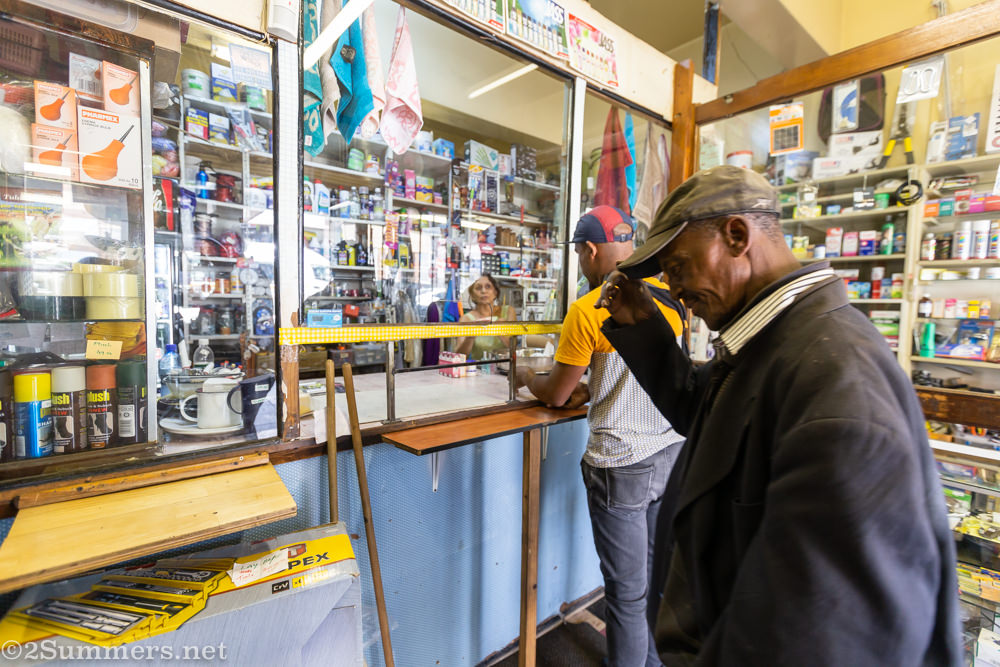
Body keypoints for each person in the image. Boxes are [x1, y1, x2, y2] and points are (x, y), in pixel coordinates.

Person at [596, 165, 962, 665]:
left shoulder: (838, 383)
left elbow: (826, 638)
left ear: (737, 235)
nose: (675, 290)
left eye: (678, 268)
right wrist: (643, 329)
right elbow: (717, 418)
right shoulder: (773, 342)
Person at [516, 205, 687, 667]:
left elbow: (555, 394)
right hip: (669, 451)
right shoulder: (671, 297)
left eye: (579, 254)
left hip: (621, 461)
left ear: (590, 250)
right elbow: (645, 374)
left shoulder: (590, 308)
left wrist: (527, 375)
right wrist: (595, 385)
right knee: (651, 580)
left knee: (626, 595)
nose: (581, 262)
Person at [455, 274, 516, 359]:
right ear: (472, 295)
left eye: (488, 287)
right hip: (480, 369)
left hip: (504, 367)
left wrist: (501, 332)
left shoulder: (508, 311)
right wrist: (470, 337)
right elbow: (459, 356)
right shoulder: (466, 319)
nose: (483, 291)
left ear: (495, 293)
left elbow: (515, 349)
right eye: (478, 288)